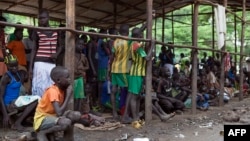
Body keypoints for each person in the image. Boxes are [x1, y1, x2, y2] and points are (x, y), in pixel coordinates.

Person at [33, 66, 81, 141]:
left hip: (53, 116)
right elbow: (59, 113)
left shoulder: (62, 89)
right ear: (58, 80)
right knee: (66, 122)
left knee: (76, 115)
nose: (70, 80)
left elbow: (60, 112)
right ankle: (43, 133)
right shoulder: (53, 91)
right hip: (42, 119)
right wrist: (68, 95)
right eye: (67, 77)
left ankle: (68, 138)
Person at [29, 9, 63, 97]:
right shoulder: (37, 30)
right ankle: (39, 107)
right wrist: (30, 67)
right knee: (39, 86)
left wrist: (56, 54)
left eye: (43, 18)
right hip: (39, 62)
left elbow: (61, 45)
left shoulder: (56, 30)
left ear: (48, 18)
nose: (41, 20)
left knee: (51, 85)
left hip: (51, 63)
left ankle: (48, 107)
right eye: (39, 19)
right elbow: (34, 49)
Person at [0, 54, 38, 131]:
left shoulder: (19, 73)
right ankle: (17, 123)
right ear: (7, 66)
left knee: (37, 101)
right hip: (9, 104)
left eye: (16, 66)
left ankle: (20, 121)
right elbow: (0, 96)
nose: (14, 68)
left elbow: (26, 78)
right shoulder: (6, 77)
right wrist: (5, 115)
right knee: (35, 101)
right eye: (11, 66)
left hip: (17, 101)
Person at [121, 27, 147, 123]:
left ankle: (133, 116)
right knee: (134, 97)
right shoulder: (137, 46)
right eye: (142, 35)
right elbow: (147, 58)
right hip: (136, 73)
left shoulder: (131, 43)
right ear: (140, 36)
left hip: (135, 73)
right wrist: (152, 45)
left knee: (133, 96)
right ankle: (135, 118)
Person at [110, 24, 130, 119]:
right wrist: (145, 25)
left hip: (114, 68)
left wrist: (109, 70)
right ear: (128, 32)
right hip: (123, 69)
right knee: (128, 90)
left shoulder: (115, 41)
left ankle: (114, 112)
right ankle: (125, 113)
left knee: (113, 91)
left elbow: (112, 57)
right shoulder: (128, 41)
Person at [74, 37, 89, 112]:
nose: (81, 46)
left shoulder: (83, 56)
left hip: (81, 78)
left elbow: (87, 67)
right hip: (73, 78)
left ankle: (79, 111)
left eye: (82, 45)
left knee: (80, 96)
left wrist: (81, 69)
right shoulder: (70, 55)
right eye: (79, 44)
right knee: (73, 97)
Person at [97, 29, 110, 108]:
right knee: (102, 83)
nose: (107, 35)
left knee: (101, 83)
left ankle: (100, 99)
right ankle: (101, 100)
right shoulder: (102, 42)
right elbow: (108, 53)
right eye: (105, 33)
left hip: (101, 63)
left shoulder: (99, 42)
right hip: (103, 65)